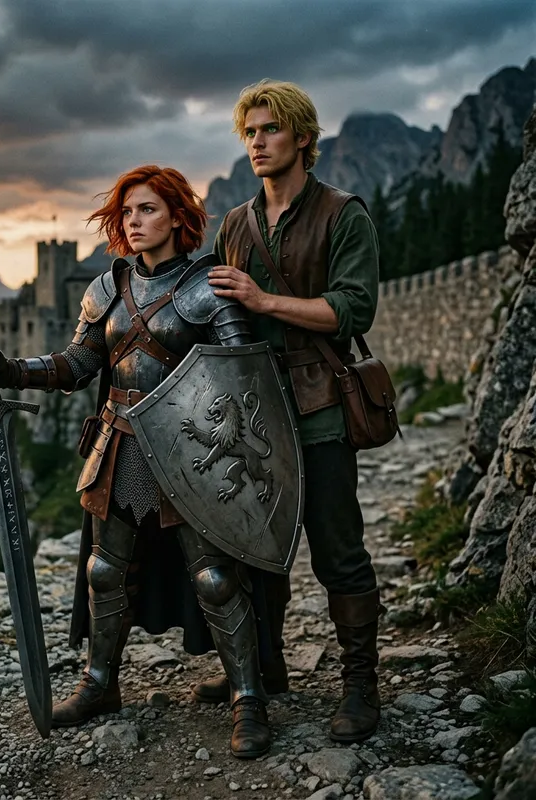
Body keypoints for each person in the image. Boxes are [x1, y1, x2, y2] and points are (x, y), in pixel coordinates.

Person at [0, 165, 278, 758]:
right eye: (127, 212)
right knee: (105, 572)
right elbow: (76, 364)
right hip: (120, 445)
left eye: (148, 210)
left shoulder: (208, 287)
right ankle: (99, 685)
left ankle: (247, 697)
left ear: (178, 217)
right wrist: (11, 370)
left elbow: (241, 381)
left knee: (214, 578)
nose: (134, 222)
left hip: (190, 454)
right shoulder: (106, 290)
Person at [193, 79, 384, 744]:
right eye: (249, 132)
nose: (257, 142)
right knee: (255, 549)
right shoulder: (234, 225)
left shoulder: (343, 214)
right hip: (253, 412)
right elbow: (219, 315)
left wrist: (265, 300)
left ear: (304, 137)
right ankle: (263, 670)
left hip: (321, 404)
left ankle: (361, 686)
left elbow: (353, 309)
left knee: (338, 551)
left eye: (270, 129)